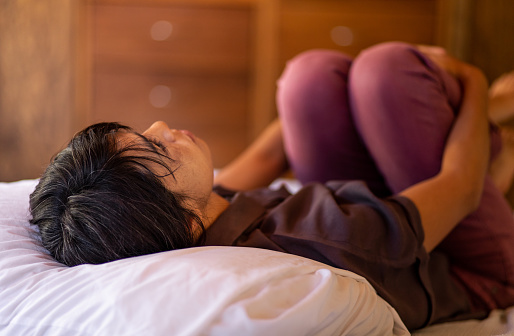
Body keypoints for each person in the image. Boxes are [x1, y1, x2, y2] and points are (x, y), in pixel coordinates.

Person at [29, 42, 514, 330]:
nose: (160, 126)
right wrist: (470, 78)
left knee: (309, 77)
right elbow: (461, 186)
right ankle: (495, 114)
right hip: (475, 269)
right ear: (185, 218)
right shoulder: (319, 237)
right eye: (156, 152)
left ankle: (484, 126)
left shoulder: (196, 223)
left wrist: (326, 89)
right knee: (388, 72)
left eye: (140, 134)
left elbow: (265, 156)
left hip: (374, 214)